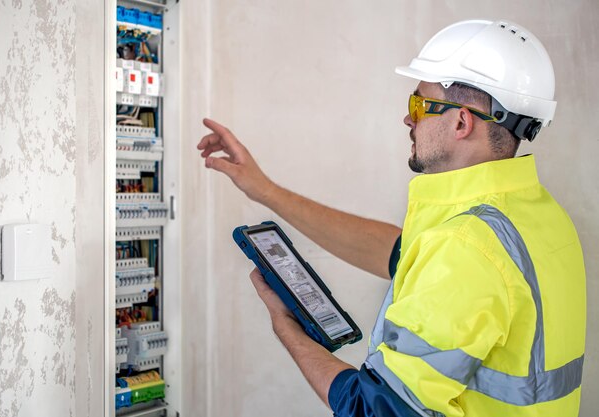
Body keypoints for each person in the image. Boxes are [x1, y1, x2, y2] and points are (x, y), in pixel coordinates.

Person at [197, 19, 586, 417]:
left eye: (417, 105)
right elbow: (397, 252)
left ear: (460, 122)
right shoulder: (532, 215)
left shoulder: (465, 247)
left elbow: (374, 409)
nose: (408, 120)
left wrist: (288, 329)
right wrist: (266, 190)